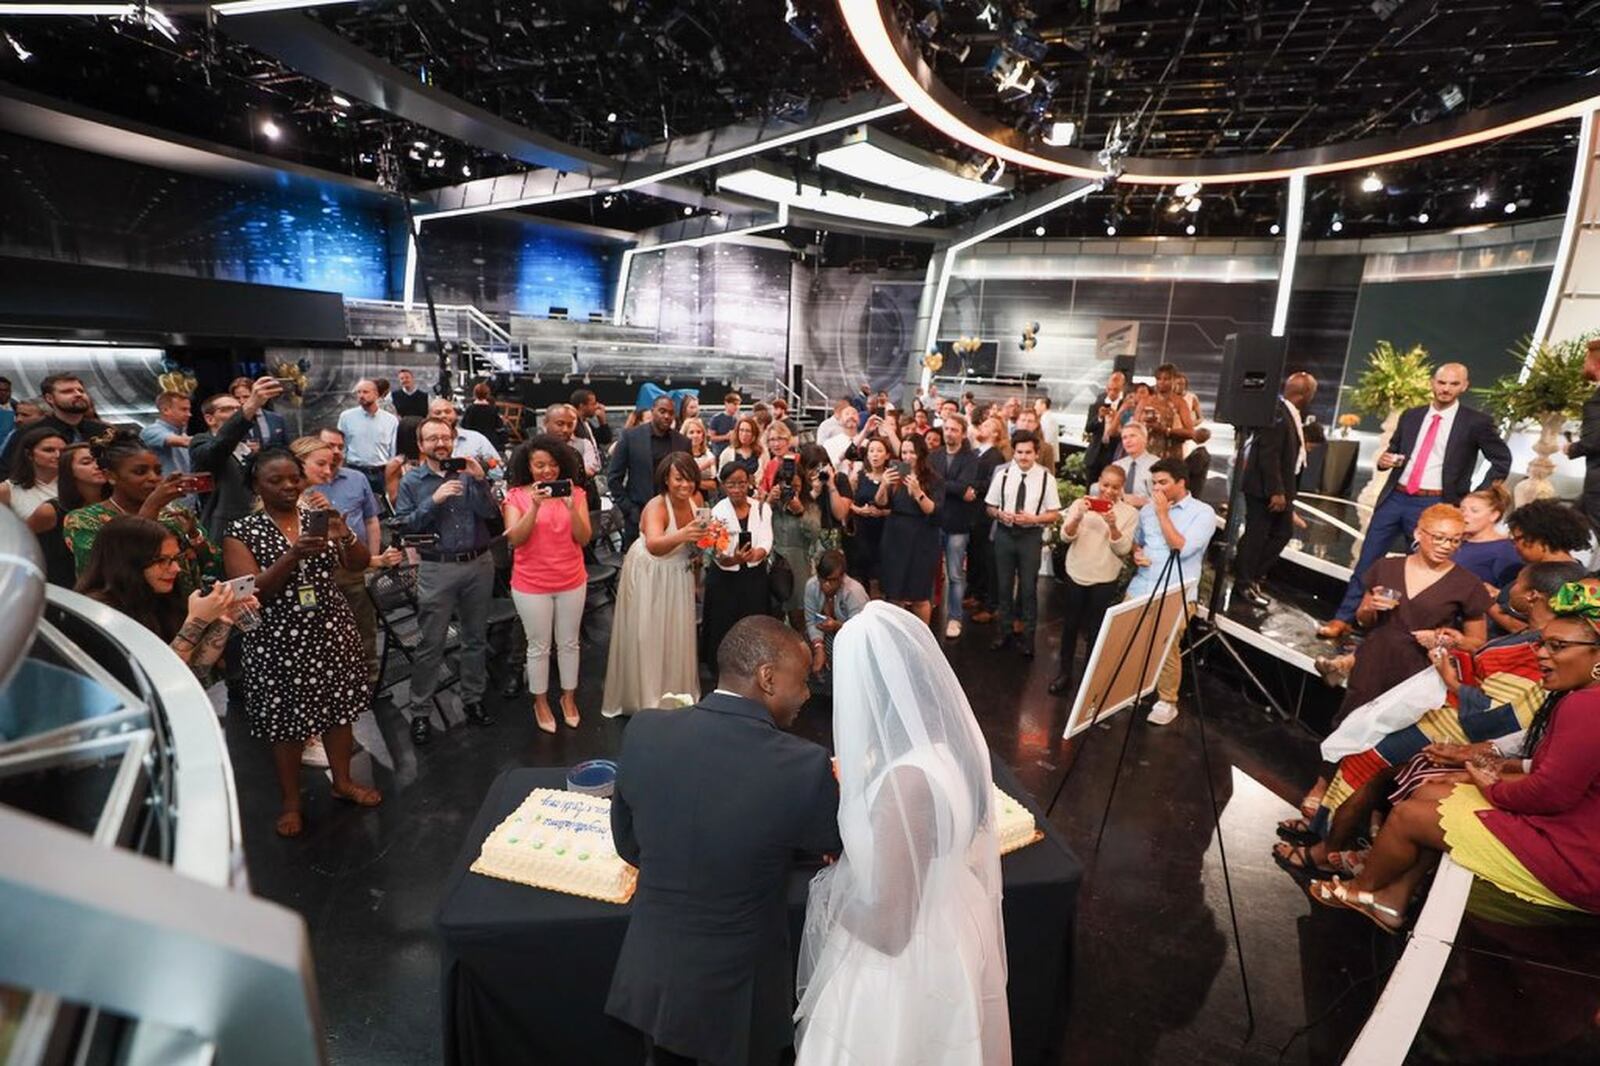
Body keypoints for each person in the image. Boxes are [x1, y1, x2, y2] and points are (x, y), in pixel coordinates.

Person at [606, 615, 840, 1066]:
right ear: (768, 678)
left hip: (654, 982)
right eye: (804, 681)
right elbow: (830, 840)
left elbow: (629, 845)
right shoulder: (803, 766)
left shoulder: (645, 730)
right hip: (739, 997)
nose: (808, 695)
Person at [1306, 581, 1600, 928]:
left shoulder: (1587, 705)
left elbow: (1549, 794)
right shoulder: (1581, 697)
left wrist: (1489, 785)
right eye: (1542, 643)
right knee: (1432, 790)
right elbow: (1563, 768)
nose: (1540, 655)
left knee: (1409, 816)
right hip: (1573, 828)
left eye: (1557, 646)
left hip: (1574, 854)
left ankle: (1362, 889)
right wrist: (1498, 767)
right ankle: (1391, 899)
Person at [796, 601, 1009, 1064]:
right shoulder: (951, 744)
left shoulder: (905, 785)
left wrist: (829, 901)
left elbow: (891, 929)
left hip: (906, 968)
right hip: (952, 921)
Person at [1276, 561, 1578, 878]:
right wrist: (1455, 659)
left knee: (1365, 760)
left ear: (1532, 596)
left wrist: (1453, 681)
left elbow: (1502, 718)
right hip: (1448, 714)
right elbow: (1490, 678)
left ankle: (1326, 851)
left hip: (1461, 730)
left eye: (1517, 581)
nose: (1509, 588)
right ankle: (1325, 830)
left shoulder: (1544, 646)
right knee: (1361, 748)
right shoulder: (1532, 634)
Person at [223, 448, 380, 838]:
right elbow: (251, 591)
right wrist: (292, 556)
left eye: (294, 477)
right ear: (256, 485)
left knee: (339, 711)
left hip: (331, 626)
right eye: (275, 480)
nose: (288, 486)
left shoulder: (317, 519)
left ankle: (342, 781)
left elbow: (359, 563)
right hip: (276, 637)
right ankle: (292, 802)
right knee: (286, 724)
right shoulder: (241, 532)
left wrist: (343, 534)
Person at [1320, 363, 1512, 639]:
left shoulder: (1475, 422)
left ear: (1464, 386)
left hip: (1434, 503)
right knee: (1367, 561)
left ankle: (1403, 629)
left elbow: (1501, 460)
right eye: (1441, 382)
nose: (1445, 388)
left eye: (1453, 384)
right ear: (1432, 383)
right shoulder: (1412, 415)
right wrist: (1386, 460)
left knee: (1422, 570)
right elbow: (1394, 450)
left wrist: (1476, 495)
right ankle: (1344, 618)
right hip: (1396, 496)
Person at [1323, 504, 1491, 711]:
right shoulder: (1385, 567)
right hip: (1372, 664)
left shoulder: (1467, 584)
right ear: (1418, 533)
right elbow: (1363, 620)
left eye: (1455, 540)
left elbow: (1477, 642)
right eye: (1439, 537)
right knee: (1348, 729)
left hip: (1418, 673)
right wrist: (1370, 608)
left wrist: (1446, 641)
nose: (1447, 546)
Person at [393, 417, 499, 744]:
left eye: (445, 437)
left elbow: (491, 515)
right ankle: (421, 711)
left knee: (475, 638)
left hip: (479, 564)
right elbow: (404, 525)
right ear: (421, 445)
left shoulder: (468, 473)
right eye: (432, 438)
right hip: (437, 568)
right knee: (431, 643)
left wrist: (481, 482)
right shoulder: (412, 481)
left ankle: (473, 699)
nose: (441, 443)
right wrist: (434, 500)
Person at [77, 514, 248, 679]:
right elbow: (160, 678)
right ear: (127, 563)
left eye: (175, 559)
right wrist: (196, 621)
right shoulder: (100, 611)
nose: (176, 568)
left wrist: (224, 620)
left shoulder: (158, 596)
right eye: (162, 560)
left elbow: (195, 670)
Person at [601, 452, 705, 717]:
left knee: (676, 632)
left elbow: (699, 543)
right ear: (666, 480)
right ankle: (646, 697)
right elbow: (654, 545)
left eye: (690, 479)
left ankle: (675, 692)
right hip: (652, 574)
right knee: (648, 633)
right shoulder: (656, 506)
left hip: (679, 573)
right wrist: (684, 534)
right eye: (679, 479)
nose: (686, 485)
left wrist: (707, 544)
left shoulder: (697, 501)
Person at [502, 434, 591, 734]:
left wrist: (568, 508)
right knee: (538, 646)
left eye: (552, 465)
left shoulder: (576, 493)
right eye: (539, 465)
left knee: (569, 643)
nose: (547, 471)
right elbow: (515, 538)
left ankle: (569, 698)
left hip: (571, 578)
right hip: (531, 583)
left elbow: (584, 538)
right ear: (528, 465)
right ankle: (540, 702)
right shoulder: (515, 496)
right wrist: (535, 507)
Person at [63, 430, 221, 593]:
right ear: (110, 476)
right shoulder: (83, 520)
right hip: (129, 612)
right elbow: (106, 574)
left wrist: (194, 535)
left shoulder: (174, 511)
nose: (154, 478)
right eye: (140, 472)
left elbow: (214, 564)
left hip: (187, 608)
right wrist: (150, 509)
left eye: (158, 471)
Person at [1126, 457, 1218, 725]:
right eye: (1153, 483)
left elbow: (1181, 547)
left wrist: (1163, 514)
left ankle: (1167, 701)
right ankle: (1131, 691)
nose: (1157, 489)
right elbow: (1137, 542)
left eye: (1163, 483)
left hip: (1176, 592)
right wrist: (1137, 553)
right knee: (1126, 638)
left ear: (1181, 483)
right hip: (1142, 585)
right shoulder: (1146, 511)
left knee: (1165, 646)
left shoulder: (1202, 513)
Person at [297, 432, 389, 689]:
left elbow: (371, 521)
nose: (328, 468)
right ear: (299, 461)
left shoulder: (355, 479)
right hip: (307, 587)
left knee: (360, 628)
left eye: (339, 448)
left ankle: (366, 684)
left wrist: (369, 557)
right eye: (322, 460)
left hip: (348, 568)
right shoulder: (287, 503)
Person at [1051, 463, 1138, 696]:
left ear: (1122, 488)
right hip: (1076, 572)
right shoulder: (1082, 504)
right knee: (1069, 626)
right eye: (1106, 485)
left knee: (1095, 629)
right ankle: (1064, 673)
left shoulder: (1129, 513)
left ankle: (1089, 680)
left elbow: (1123, 549)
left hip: (1104, 577)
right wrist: (1077, 517)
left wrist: (1112, 525)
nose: (1109, 491)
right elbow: (1065, 537)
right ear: (1099, 481)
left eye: (1115, 487)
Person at [1234, 372, 1318, 609]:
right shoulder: (1278, 413)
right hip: (1265, 489)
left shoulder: (1289, 413)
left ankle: (1252, 575)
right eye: (1312, 392)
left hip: (1280, 487)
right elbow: (1268, 454)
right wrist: (1276, 491)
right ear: (1304, 394)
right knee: (1257, 535)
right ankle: (1244, 582)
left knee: (1281, 533)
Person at [985, 431, 1061, 658]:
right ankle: (1004, 632)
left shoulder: (1047, 478)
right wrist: (1000, 514)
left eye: (1028, 452)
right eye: (1019, 452)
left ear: (1037, 453)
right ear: (1014, 452)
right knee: (1004, 587)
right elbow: (989, 506)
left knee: (1029, 589)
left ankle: (1028, 638)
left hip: (1030, 536)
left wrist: (1034, 519)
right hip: (1005, 535)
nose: (1023, 457)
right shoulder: (1003, 475)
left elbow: (1054, 514)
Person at [191, 378, 285, 542]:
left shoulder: (246, 449)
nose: (236, 412)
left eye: (238, 408)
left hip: (257, 530)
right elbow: (220, 447)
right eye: (227, 409)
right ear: (210, 419)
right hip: (224, 535)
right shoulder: (200, 442)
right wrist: (250, 406)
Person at [704, 464, 773, 668]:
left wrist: (755, 554)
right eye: (731, 484)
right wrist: (734, 558)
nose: (737, 489)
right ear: (723, 485)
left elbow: (766, 541)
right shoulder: (717, 512)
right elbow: (718, 553)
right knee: (724, 625)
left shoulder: (761, 508)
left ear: (749, 483)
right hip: (726, 578)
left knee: (753, 624)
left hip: (754, 576)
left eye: (741, 483)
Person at [875, 434, 942, 625]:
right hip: (895, 536)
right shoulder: (894, 476)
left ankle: (923, 638)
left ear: (921, 454)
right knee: (894, 593)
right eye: (904, 452)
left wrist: (918, 493)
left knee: (919, 595)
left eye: (912, 452)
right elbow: (880, 503)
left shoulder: (933, 479)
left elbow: (935, 511)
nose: (907, 456)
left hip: (922, 537)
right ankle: (896, 636)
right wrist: (884, 484)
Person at [607, 394, 690, 547]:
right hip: (638, 513)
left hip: (673, 514)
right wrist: (629, 509)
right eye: (662, 411)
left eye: (671, 413)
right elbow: (613, 478)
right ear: (653, 411)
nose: (667, 416)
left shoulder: (683, 442)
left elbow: (689, 478)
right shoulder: (630, 437)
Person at [0, 373, 109, 478]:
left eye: (81, 390)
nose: (78, 394)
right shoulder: (28, 433)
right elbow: (7, 472)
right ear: (49, 398)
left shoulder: (104, 432)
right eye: (67, 391)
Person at [930, 413, 980, 639]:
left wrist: (944, 485)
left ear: (962, 433)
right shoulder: (935, 455)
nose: (949, 432)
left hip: (958, 524)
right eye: (947, 428)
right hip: (934, 521)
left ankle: (955, 617)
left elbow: (964, 485)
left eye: (954, 429)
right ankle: (927, 613)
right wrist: (957, 490)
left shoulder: (970, 458)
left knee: (955, 574)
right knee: (930, 571)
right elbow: (935, 483)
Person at [31, 441, 105, 587]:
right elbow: (23, 542)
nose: (97, 466)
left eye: (100, 460)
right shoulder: (50, 511)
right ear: (68, 470)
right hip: (62, 593)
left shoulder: (119, 504)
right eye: (86, 462)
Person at [802, 549, 868, 688]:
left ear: (842, 577)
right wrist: (818, 648)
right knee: (803, 647)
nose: (826, 585)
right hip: (825, 634)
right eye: (822, 580)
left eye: (832, 581)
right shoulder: (811, 586)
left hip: (853, 639)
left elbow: (862, 632)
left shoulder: (855, 592)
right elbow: (810, 620)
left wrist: (838, 626)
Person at [964, 417, 1008, 625]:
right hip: (971, 511)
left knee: (985, 558)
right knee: (973, 554)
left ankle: (991, 603)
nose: (983, 426)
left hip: (984, 512)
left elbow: (992, 482)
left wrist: (974, 487)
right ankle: (975, 593)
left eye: (989, 425)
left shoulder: (996, 456)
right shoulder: (975, 452)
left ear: (997, 434)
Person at [337, 379, 400, 497]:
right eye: (358, 392)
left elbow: (393, 450)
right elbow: (341, 447)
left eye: (365, 392)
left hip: (380, 473)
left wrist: (390, 476)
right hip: (355, 470)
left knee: (381, 511)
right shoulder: (346, 417)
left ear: (376, 394)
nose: (361, 395)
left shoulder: (390, 420)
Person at [845, 436, 891, 595]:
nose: (875, 455)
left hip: (884, 534)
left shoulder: (891, 478)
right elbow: (847, 502)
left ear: (887, 455)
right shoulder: (859, 476)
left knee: (876, 581)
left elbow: (898, 507)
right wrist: (858, 510)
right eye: (871, 451)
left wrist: (882, 512)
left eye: (879, 451)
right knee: (858, 578)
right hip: (861, 533)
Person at [1454, 483, 1520, 588]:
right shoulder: (1454, 540)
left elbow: (1508, 591)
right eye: (1462, 509)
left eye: (1474, 511)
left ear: (1494, 515)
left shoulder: (1505, 550)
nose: (1464, 515)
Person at [1566, 336, 1600, 529]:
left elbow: (1593, 442)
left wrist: (1572, 448)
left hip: (1598, 487)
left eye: (1586, 360)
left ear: (1596, 365)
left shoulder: (1596, 402)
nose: (1583, 365)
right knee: (1560, 528)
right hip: (1591, 493)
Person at [1, 425, 63, 527]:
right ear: (29, 454)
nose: (58, 455)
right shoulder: (6, 490)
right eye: (49, 450)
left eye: (63, 451)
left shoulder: (78, 484)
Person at [139, 391, 193, 492]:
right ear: (166, 410)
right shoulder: (151, 431)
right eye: (184, 409)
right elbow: (183, 442)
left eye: (189, 410)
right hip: (165, 499)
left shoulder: (182, 435)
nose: (189, 414)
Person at [429, 397, 501, 472]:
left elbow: (499, 470)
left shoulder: (477, 439)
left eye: (447, 412)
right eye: (437, 413)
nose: (443, 415)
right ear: (428, 417)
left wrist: (480, 468)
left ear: (455, 414)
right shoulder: (423, 443)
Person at [543, 403, 603, 482]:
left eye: (570, 425)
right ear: (545, 423)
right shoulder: (535, 446)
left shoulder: (584, 444)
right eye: (560, 424)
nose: (565, 429)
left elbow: (590, 470)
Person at [229, 376, 289, 449]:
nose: (241, 401)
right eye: (237, 398)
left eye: (246, 397)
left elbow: (285, 445)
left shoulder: (276, 419)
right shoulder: (231, 421)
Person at [1109, 423, 1155, 507]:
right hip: (1118, 514)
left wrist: (1145, 502)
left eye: (1132, 436)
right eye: (1124, 438)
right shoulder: (1117, 465)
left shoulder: (1157, 465)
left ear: (1145, 439)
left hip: (1147, 515)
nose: (1128, 441)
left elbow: (1168, 499)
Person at [681, 417, 719, 498]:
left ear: (703, 435)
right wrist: (704, 466)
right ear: (684, 435)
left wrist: (693, 482)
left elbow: (714, 485)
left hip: (705, 498)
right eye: (691, 432)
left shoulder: (709, 455)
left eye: (698, 432)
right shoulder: (680, 456)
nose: (695, 435)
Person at [460, 381, 504, 448]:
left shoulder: (470, 409)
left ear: (475, 394)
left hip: (473, 441)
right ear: (487, 394)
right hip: (490, 441)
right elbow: (499, 425)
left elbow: (464, 425)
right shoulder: (492, 409)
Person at [571, 387, 613, 454]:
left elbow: (605, 439)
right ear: (582, 406)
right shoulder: (574, 425)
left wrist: (602, 420)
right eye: (593, 404)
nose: (596, 406)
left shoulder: (587, 424)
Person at [708, 392, 741, 457]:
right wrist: (726, 437)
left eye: (738, 405)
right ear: (726, 403)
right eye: (734, 404)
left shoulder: (738, 419)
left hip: (734, 451)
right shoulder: (716, 418)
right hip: (719, 452)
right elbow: (711, 437)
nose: (737, 407)